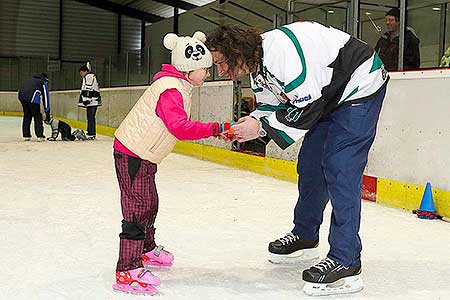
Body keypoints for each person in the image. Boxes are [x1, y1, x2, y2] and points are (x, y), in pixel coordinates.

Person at [206, 22, 389, 296]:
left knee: (340, 167)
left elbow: (307, 105)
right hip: (327, 95)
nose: (220, 71)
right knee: (311, 166)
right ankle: (305, 233)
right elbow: (272, 105)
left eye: (222, 63)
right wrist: (251, 123)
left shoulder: (281, 52)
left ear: (236, 51)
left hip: (359, 86)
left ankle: (346, 258)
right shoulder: (258, 67)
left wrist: (262, 128)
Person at [111, 31, 233, 295]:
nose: (207, 74)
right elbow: (180, 127)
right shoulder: (170, 90)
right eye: (204, 69)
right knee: (136, 209)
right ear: (189, 69)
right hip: (133, 152)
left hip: (144, 155)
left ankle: (145, 249)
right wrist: (216, 128)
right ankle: (127, 270)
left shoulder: (179, 85)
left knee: (149, 203)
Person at [17, 73, 51, 142]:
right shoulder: (43, 82)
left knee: (27, 115)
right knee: (37, 115)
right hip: (32, 97)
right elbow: (46, 98)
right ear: (46, 80)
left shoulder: (30, 80)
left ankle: (26, 135)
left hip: (21, 96)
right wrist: (47, 113)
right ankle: (40, 135)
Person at [78, 62, 101, 140]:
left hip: (92, 101)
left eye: (81, 73)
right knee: (90, 117)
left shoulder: (89, 76)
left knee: (91, 117)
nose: (81, 75)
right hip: (92, 101)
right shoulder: (89, 76)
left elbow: (88, 88)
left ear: (85, 71)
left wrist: (87, 99)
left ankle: (91, 133)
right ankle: (90, 132)